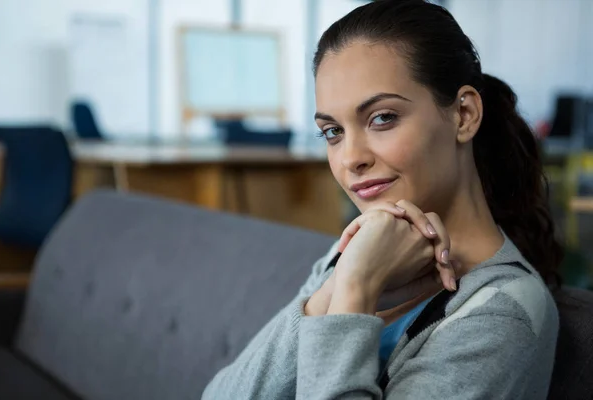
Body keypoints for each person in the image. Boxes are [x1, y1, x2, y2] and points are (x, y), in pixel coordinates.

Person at [202, 0, 562, 398]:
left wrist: (355, 288)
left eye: (382, 118)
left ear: (463, 115)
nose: (351, 158)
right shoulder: (359, 250)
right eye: (333, 131)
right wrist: (333, 286)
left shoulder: (501, 311)